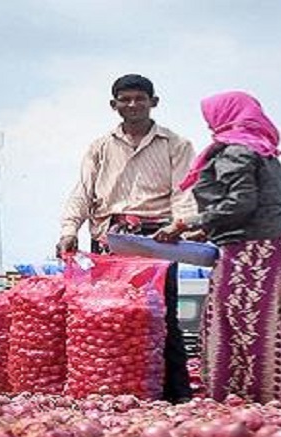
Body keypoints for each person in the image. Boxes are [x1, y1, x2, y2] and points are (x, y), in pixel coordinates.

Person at [154, 90, 281, 404]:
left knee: (241, 318)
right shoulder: (263, 148)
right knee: (266, 316)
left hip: (250, 251)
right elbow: (256, 204)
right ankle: (272, 393)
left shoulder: (237, 151)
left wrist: (185, 223)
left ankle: (246, 394)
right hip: (272, 243)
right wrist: (208, 229)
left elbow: (240, 203)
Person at [58, 73, 197, 403]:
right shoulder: (100, 147)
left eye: (139, 99)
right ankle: (108, 390)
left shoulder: (176, 144)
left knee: (161, 313)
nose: (133, 105)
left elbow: (184, 192)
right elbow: (82, 192)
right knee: (106, 314)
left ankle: (176, 396)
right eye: (125, 99)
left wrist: (180, 225)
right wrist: (69, 230)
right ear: (114, 105)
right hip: (110, 236)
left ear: (153, 102)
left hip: (157, 238)